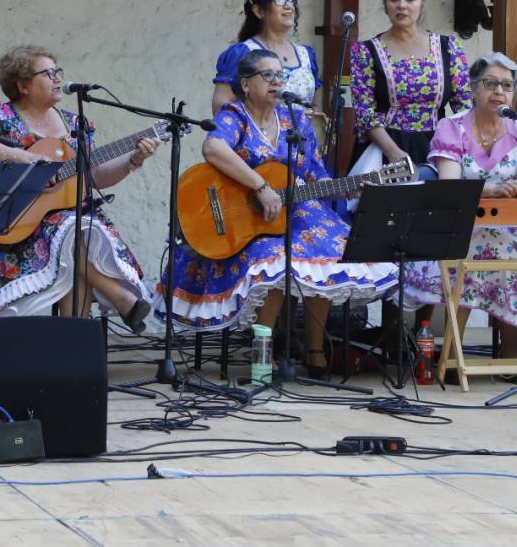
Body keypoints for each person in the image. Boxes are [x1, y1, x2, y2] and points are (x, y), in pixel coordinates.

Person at [161, 49, 397, 378]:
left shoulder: (295, 119)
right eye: (268, 75)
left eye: (280, 76)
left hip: (297, 211)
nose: (277, 82)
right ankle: (264, 347)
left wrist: (350, 188)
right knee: (275, 258)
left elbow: (316, 175)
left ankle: (314, 348)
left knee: (332, 253)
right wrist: (260, 186)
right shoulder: (234, 115)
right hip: (243, 220)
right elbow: (213, 147)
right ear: (246, 84)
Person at [0, 45, 158, 337]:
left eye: (57, 71)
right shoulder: (0, 114)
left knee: (79, 229)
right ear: (23, 85)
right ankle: (114, 305)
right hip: (8, 226)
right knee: (73, 231)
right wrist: (27, 159)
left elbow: (93, 178)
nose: (57, 78)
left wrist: (133, 160)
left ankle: (74, 346)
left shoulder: (76, 124)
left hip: (61, 225)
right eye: (47, 73)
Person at [410, 52, 517, 361]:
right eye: (490, 83)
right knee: (469, 250)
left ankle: (512, 351)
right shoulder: (452, 127)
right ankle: (452, 353)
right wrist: (494, 189)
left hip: (511, 228)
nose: (499, 92)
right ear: (473, 88)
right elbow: (450, 186)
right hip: (465, 225)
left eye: (507, 85)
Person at [350, 0, 471, 327]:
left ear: (422, 5)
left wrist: (455, 151)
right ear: (386, 6)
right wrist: (393, 152)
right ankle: (391, 334)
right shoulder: (367, 51)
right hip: (386, 148)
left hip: (437, 149)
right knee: (391, 242)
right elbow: (365, 112)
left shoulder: (448, 48)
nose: (402, 5)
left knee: (431, 240)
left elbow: (463, 107)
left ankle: (422, 334)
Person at [212, 0, 321, 113]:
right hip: (259, 133)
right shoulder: (244, 52)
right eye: (280, 1)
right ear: (258, 11)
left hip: (302, 134)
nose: (289, 6)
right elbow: (221, 105)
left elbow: (314, 106)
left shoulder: (306, 54)